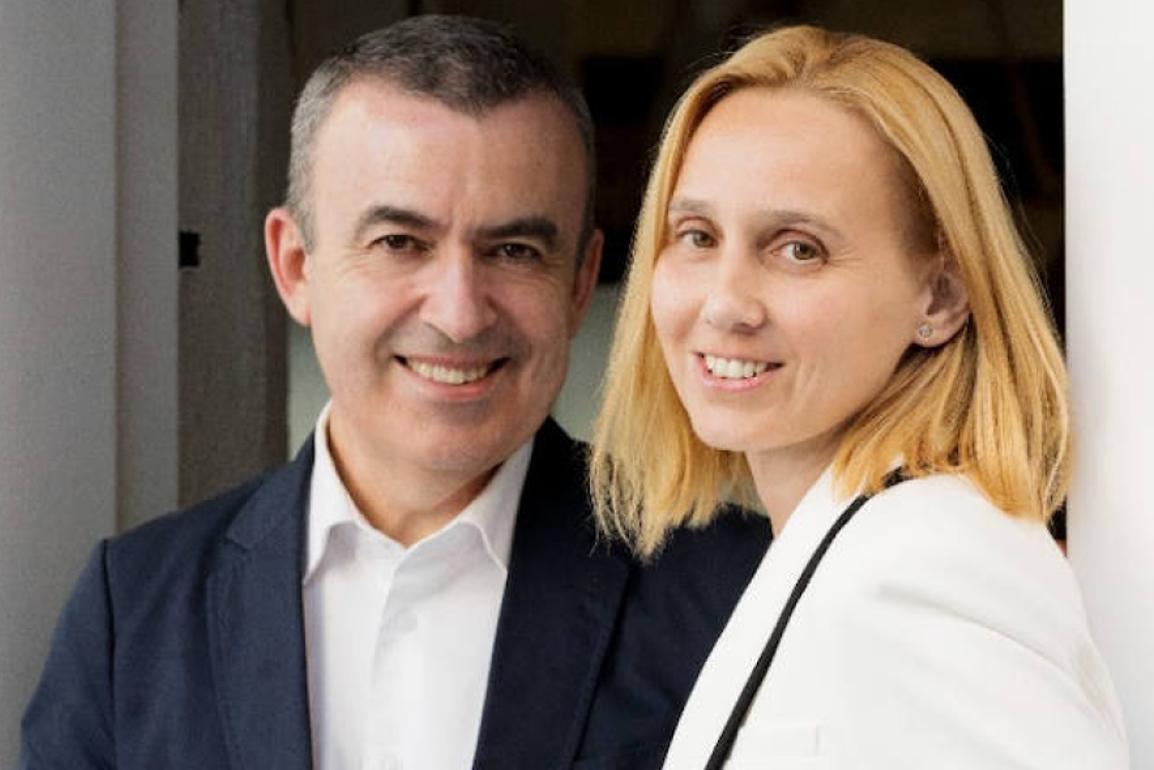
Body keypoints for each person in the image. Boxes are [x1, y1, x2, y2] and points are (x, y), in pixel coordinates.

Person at [20, 16, 769, 770]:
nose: (459, 314)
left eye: (513, 250)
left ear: (579, 284)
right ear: (295, 266)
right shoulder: (132, 615)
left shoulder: (740, 593)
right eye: (400, 243)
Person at [591, 26, 1128, 768]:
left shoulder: (924, 569)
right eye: (697, 236)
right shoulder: (853, 544)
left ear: (940, 297)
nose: (725, 302)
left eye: (798, 249)